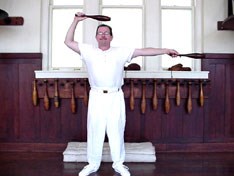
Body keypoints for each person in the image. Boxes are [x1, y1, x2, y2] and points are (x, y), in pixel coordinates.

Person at [64, 12, 179, 176]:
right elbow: (68, 41)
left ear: (111, 37)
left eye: (106, 33)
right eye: (100, 33)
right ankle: (92, 164)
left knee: (116, 130)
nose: (103, 35)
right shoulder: (87, 50)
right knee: (95, 129)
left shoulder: (121, 51)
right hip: (96, 96)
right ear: (96, 37)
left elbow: (144, 51)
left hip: (115, 96)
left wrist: (166, 50)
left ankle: (118, 164)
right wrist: (76, 20)